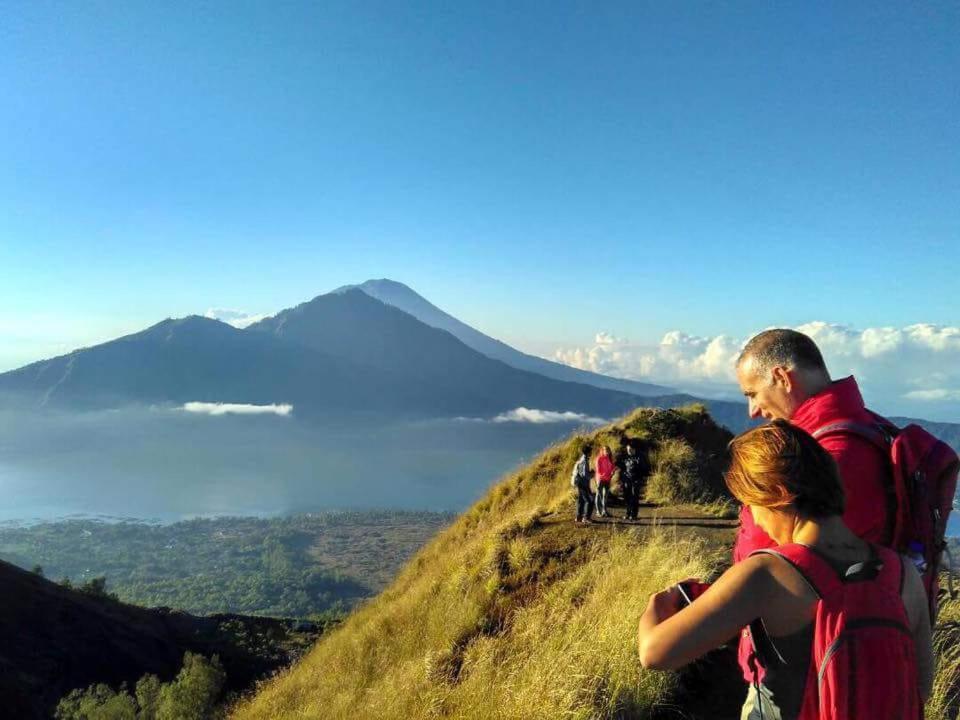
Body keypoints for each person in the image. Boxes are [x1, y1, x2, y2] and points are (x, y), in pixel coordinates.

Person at [637, 421, 933, 720]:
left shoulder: (767, 572)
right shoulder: (904, 574)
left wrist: (658, 604)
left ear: (777, 494)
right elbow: (922, 687)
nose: (754, 519)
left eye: (749, 505)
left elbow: (654, 653)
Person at [734, 329, 896, 686]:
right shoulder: (855, 432)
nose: (753, 410)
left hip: (810, 671)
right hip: (819, 656)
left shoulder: (832, 455)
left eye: (753, 394)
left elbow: (804, 567)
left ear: (781, 378)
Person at [619, 441, 648, 520]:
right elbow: (622, 468)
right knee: (627, 497)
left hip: (636, 480)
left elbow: (644, 469)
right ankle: (628, 513)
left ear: (634, 449)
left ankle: (634, 514)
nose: (629, 451)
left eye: (630, 449)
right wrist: (622, 478)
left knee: (634, 497)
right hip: (626, 479)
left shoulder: (640, 457)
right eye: (627, 449)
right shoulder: (625, 457)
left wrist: (641, 479)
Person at [571, 443, 594, 524]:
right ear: (588, 452)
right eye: (591, 451)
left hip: (580, 483)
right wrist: (592, 474)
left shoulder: (582, 459)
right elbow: (585, 475)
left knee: (581, 500)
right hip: (583, 484)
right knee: (590, 500)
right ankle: (586, 518)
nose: (592, 452)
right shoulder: (584, 461)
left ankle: (579, 517)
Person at [594, 445, 615, 518]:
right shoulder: (599, 458)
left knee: (605, 496)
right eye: (606, 450)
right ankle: (598, 511)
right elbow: (598, 470)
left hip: (608, 479)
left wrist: (613, 471)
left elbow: (613, 466)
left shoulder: (609, 458)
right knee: (599, 495)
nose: (607, 452)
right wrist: (607, 475)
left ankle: (604, 511)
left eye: (608, 450)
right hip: (600, 479)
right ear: (602, 450)